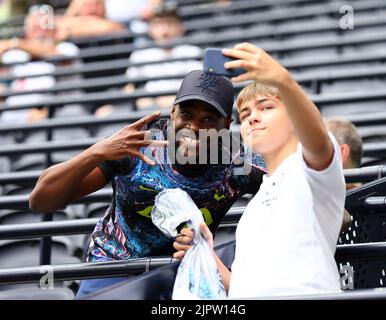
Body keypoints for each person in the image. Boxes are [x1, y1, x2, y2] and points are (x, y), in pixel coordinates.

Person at [29, 70, 267, 297]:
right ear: (172, 112)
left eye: (208, 119)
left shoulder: (237, 162)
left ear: (225, 125)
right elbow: (40, 202)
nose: (194, 127)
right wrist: (97, 152)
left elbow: (291, 185)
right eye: (186, 114)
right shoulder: (136, 145)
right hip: (114, 267)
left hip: (184, 272)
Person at [174, 42, 346, 298]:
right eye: (245, 114)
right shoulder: (256, 204)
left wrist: (281, 79)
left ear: (295, 118)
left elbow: (318, 141)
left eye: (266, 107)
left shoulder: (309, 169)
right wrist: (207, 254)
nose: (252, 118)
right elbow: (245, 288)